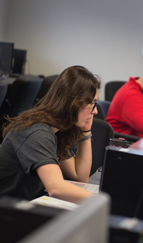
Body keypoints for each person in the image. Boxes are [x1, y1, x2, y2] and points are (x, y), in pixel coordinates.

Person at [0, 65, 100, 204]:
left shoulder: (58, 129)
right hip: (8, 211)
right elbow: (56, 188)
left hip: (27, 205)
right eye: (92, 103)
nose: (95, 111)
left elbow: (80, 177)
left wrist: (85, 132)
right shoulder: (37, 131)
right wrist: (104, 202)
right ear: (74, 103)